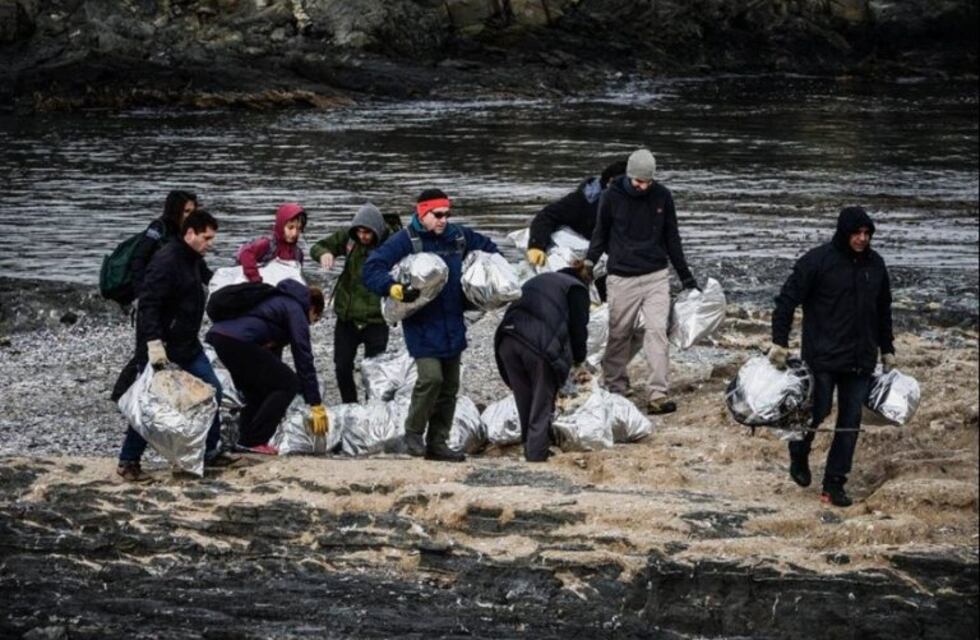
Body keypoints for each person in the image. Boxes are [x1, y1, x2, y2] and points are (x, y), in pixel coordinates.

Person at [769, 205, 895, 508]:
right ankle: (799, 454)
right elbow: (786, 301)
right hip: (822, 356)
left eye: (867, 234)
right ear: (844, 233)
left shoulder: (876, 265)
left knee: (850, 422)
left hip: (861, 359)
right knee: (817, 411)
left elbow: (883, 311)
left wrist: (887, 349)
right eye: (857, 233)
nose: (863, 239)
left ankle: (834, 484)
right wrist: (779, 343)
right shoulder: (817, 261)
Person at [362, 188, 498, 462]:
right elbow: (371, 268)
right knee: (431, 378)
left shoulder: (459, 237)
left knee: (449, 387)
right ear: (422, 213)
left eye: (447, 214)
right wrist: (394, 288)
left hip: (453, 323)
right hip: (422, 325)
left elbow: (491, 251)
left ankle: (438, 443)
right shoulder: (405, 240)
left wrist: (492, 279)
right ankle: (413, 433)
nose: (443, 220)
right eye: (437, 215)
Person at [117, 210, 236, 481]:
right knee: (150, 403)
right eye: (206, 238)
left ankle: (208, 451)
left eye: (212, 238)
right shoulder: (166, 260)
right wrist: (154, 345)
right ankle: (128, 461)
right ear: (190, 233)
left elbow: (211, 280)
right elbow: (148, 305)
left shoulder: (194, 259)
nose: (211, 243)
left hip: (187, 345)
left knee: (213, 392)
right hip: (161, 347)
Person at [585, 148, 699, 415]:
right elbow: (600, 233)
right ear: (629, 176)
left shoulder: (663, 196)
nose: (643, 186)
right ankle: (615, 387)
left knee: (657, 332)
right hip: (621, 277)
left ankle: (657, 393)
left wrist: (686, 276)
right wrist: (589, 263)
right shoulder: (611, 196)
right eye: (638, 181)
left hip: (656, 276)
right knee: (619, 333)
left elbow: (673, 238)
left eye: (648, 182)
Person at [206, 280, 329, 454]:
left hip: (221, 336)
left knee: (257, 390)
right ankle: (255, 440)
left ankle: (244, 441)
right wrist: (315, 402)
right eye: (314, 320)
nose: (311, 324)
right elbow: (303, 355)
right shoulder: (295, 309)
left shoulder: (276, 300)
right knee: (288, 384)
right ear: (313, 309)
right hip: (238, 340)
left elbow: (273, 359)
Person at [494, 260, 591, 462]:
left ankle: (529, 445)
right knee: (542, 398)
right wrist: (579, 360)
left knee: (524, 397)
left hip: (506, 340)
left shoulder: (539, 280)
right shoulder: (576, 288)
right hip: (537, 346)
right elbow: (578, 329)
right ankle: (537, 453)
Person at [110, 190, 199, 402]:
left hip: (171, 300)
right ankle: (123, 394)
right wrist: (142, 295)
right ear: (175, 210)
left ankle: (137, 391)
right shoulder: (158, 229)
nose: (189, 216)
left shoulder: (186, 234)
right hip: (151, 297)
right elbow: (138, 260)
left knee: (158, 345)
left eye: (192, 211)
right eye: (186, 211)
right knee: (145, 350)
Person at [310, 203, 399, 404]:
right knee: (342, 366)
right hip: (347, 317)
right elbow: (317, 247)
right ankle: (349, 404)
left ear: (377, 229)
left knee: (374, 370)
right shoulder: (349, 239)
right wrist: (325, 254)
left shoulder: (393, 244)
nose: (362, 236)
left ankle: (372, 407)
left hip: (377, 319)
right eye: (359, 231)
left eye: (367, 233)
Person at [526, 159, 627, 301]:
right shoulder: (583, 201)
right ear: (611, 183)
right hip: (581, 263)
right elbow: (546, 216)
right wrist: (536, 246)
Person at [237, 202, 307, 282]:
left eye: (298, 229)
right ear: (281, 225)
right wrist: (255, 278)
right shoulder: (267, 244)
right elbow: (246, 253)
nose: (294, 233)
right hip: (258, 283)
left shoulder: (298, 254)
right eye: (290, 228)